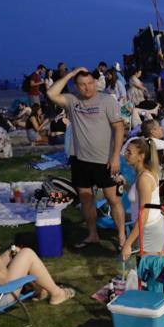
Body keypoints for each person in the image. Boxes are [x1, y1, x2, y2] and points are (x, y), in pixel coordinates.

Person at [46, 66, 126, 251]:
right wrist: (71, 74)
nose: (87, 88)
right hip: (80, 160)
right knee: (86, 198)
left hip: (104, 160)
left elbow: (119, 128)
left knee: (112, 199)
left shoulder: (107, 100)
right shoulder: (72, 101)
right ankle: (92, 234)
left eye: (90, 83)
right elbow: (51, 93)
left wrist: (115, 158)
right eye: (82, 84)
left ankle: (121, 235)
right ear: (77, 86)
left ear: (95, 83)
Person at [119, 138, 164, 261]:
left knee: (152, 275)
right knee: (158, 272)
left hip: (150, 230)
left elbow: (143, 214)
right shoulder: (143, 174)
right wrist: (126, 185)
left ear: (141, 156)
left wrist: (128, 243)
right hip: (153, 226)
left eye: (129, 152)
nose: (125, 154)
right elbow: (138, 195)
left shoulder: (144, 179)